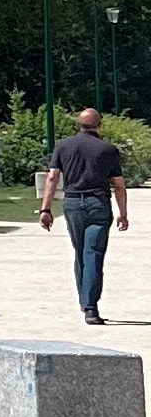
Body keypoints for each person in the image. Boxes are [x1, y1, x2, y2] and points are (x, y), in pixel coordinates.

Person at [40, 106, 129, 327]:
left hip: (72, 203)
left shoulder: (63, 146)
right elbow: (118, 185)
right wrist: (123, 213)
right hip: (97, 203)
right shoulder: (108, 149)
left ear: (78, 125)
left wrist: (46, 209)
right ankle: (91, 307)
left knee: (80, 252)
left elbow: (52, 178)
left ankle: (84, 301)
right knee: (93, 254)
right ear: (99, 125)